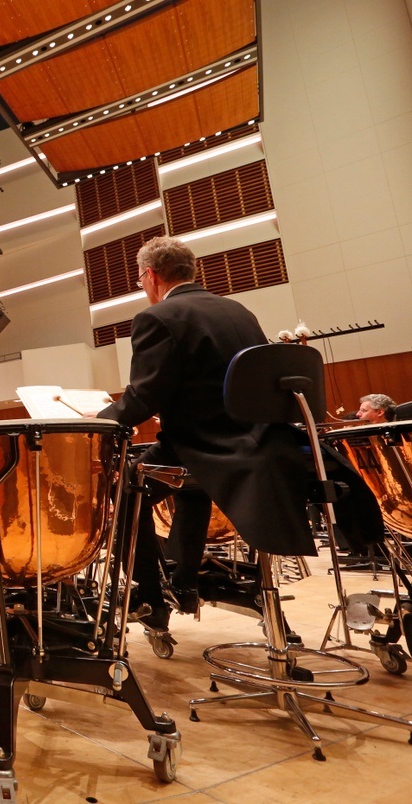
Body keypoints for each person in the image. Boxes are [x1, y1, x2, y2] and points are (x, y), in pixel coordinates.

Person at [97, 236, 315, 633]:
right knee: (189, 488)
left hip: (204, 448)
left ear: (151, 275)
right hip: (265, 445)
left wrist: (99, 421)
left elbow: (143, 397)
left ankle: (149, 597)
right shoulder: (238, 310)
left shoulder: (158, 318)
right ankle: (183, 579)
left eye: (140, 279)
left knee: (121, 493)